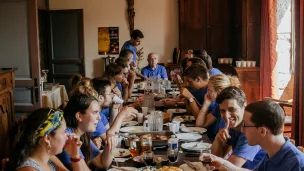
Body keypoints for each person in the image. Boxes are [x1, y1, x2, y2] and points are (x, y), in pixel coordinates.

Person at [199, 100, 304, 171]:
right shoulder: (273, 152)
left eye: (246, 125)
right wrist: (221, 162)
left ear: (262, 131)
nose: (242, 130)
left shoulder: (295, 164)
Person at [5, 108, 83, 171]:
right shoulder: (29, 169)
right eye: (63, 132)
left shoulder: (48, 158)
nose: (67, 136)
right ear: (47, 138)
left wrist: (74, 155)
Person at [208, 87, 266, 169]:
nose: (227, 116)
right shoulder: (232, 126)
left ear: (244, 106)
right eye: (222, 111)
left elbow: (227, 168)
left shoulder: (252, 130)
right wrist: (218, 139)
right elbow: (215, 159)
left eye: (232, 109)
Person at [57, 92, 117, 170]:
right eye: (95, 112)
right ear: (79, 116)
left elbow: (102, 163)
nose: (99, 118)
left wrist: (109, 145)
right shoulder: (68, 138)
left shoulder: (82, 134)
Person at [90, 78, 137, 148]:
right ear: (101, 98)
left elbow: (110, 128)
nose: (112, 96)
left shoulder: (100, 113)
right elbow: (109, 139)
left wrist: (115, 109)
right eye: (110, 93)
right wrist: (121, 115)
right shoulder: (95, 116)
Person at [196, 74, 240, 140]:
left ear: (219, 91)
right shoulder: (218, 105)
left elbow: (224, 140)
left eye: (209, 90)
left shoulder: (227, 109)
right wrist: (206, 104)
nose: (207, 93)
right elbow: (200, 126)